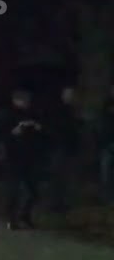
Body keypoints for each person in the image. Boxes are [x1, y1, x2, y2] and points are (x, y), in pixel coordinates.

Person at [0, 89, 47, 230]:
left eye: (26, 101)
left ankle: (25, 215)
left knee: (33, 191)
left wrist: (37, 128)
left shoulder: (32, 114)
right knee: (13, 190)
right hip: (13, 158)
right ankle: (11, 219)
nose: (25, 103)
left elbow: (40, 133)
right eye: (22, 100)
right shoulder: (8, 115)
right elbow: (3, 135)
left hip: (29, 158)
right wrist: (13, 133)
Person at [48, 86, 81, 214]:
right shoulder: (59, 110)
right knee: (58, 177)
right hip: (60, 147)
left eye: (72, 94)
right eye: (68, 94)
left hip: (69, 147)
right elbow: (57, 128)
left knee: (65, 178)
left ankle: (61, 203)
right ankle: (55, 203)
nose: (70, 97)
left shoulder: (73, 110)